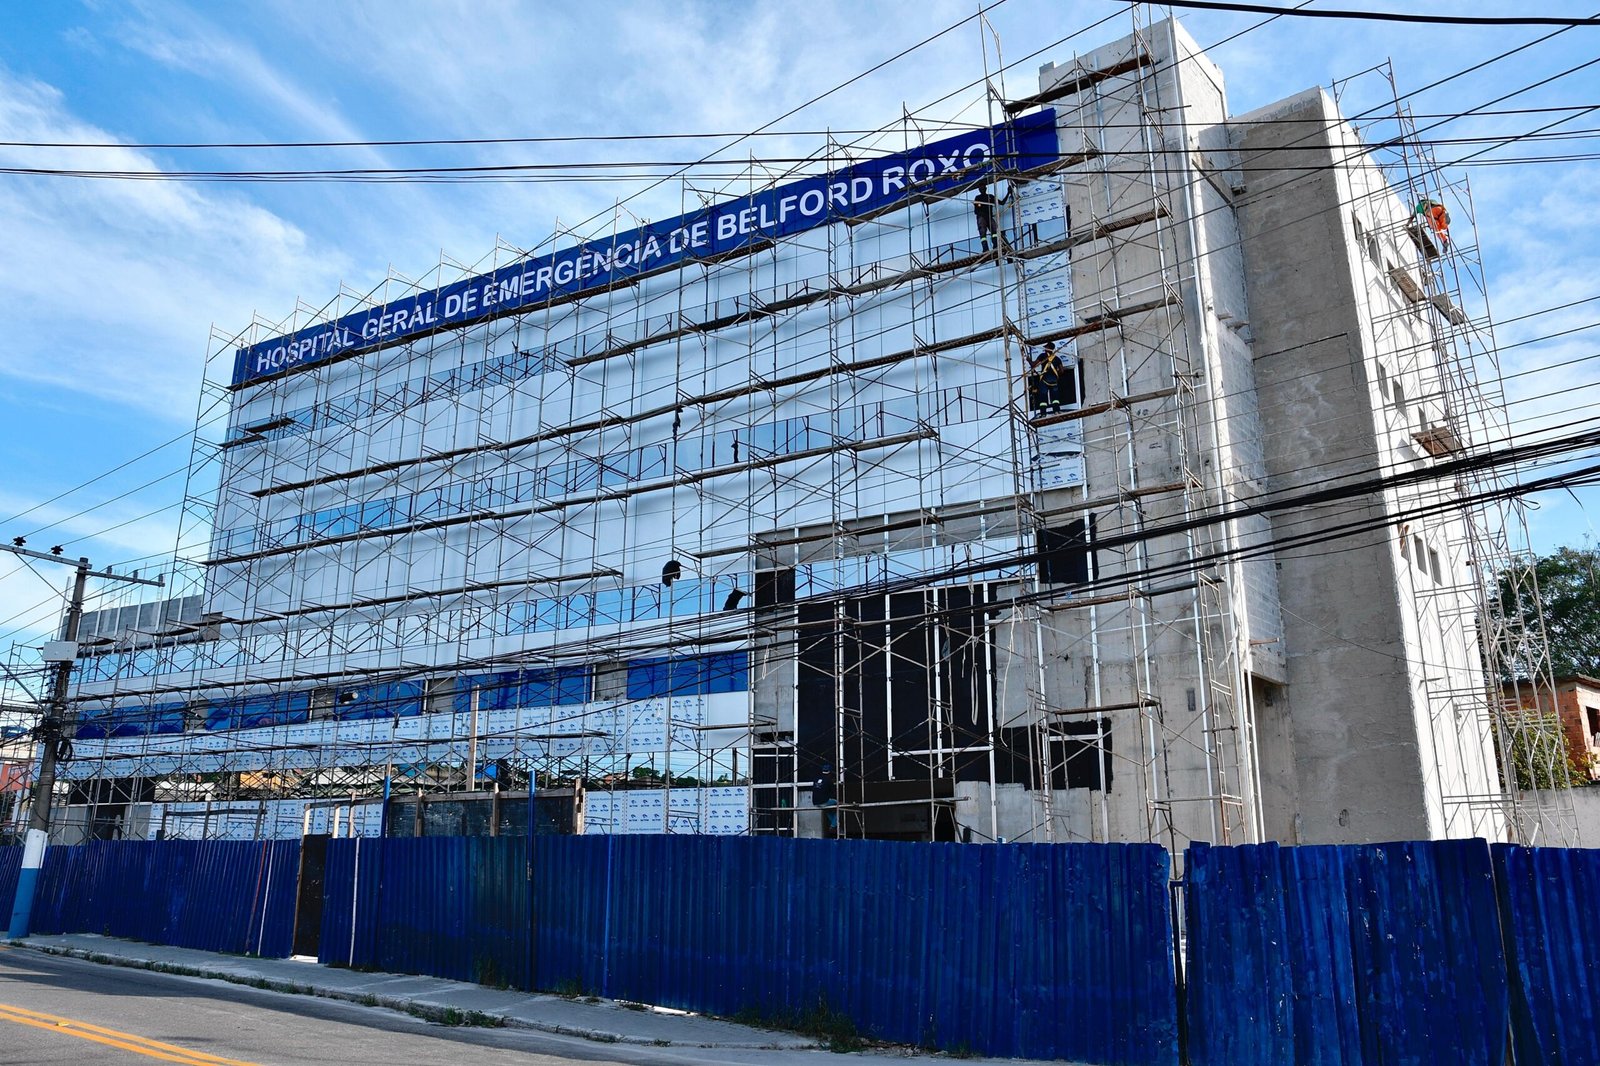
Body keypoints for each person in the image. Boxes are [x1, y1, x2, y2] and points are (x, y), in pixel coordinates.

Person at [1029, 340, 1066, 416]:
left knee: (1043, 398)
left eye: (1046, 347)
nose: (1044, 348)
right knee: (1055, 398)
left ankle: (1043, 414)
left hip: (1044, 380)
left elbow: (1033, 365)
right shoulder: (1057, 358)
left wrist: (1028, 359)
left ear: (1048, 348)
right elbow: (1062, 371)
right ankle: (1056, 411)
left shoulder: (1042, 356)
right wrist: (1055, 374)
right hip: (1054, 381)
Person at [974, 183, 1000, 252]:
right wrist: (982, 214)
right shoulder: (978, 198)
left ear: (986, 188)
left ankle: (995, 245)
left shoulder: (990, 197)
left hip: (988, 217)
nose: (982, 189)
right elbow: (976, 211)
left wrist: (1009, 193)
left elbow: (1001, 202)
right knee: (983, 232)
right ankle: (985, 248)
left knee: (994, 230)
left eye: (983, 188)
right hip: (982, 217)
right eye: (980, 188)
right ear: (979, 190)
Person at [812, 763, 838, 834]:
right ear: (830, 771)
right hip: (824, 802)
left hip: (815, 802)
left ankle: (834, 825)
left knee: (828, 810)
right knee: (839, 806)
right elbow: (833, 792)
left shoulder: (816, 779)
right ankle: (833, 825)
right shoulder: (829, 780)